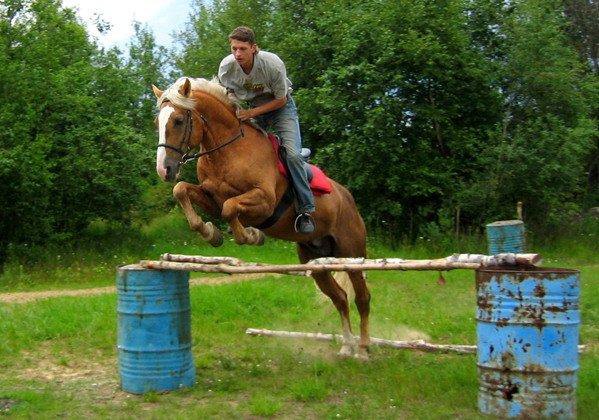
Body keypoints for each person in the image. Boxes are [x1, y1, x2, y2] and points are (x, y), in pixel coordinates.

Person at [217, 26, 316, 234]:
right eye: (234, 48)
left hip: (281, 108)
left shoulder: (273, 64)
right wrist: (240, 109)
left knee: (292, 156)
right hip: (252, 109)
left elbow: (281, 100)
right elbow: (229, 93)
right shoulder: (226, 67)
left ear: (254, 48)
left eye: (243, 49)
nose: (237, 54)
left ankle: (305, 211)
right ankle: (242, 211)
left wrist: (251, 115)